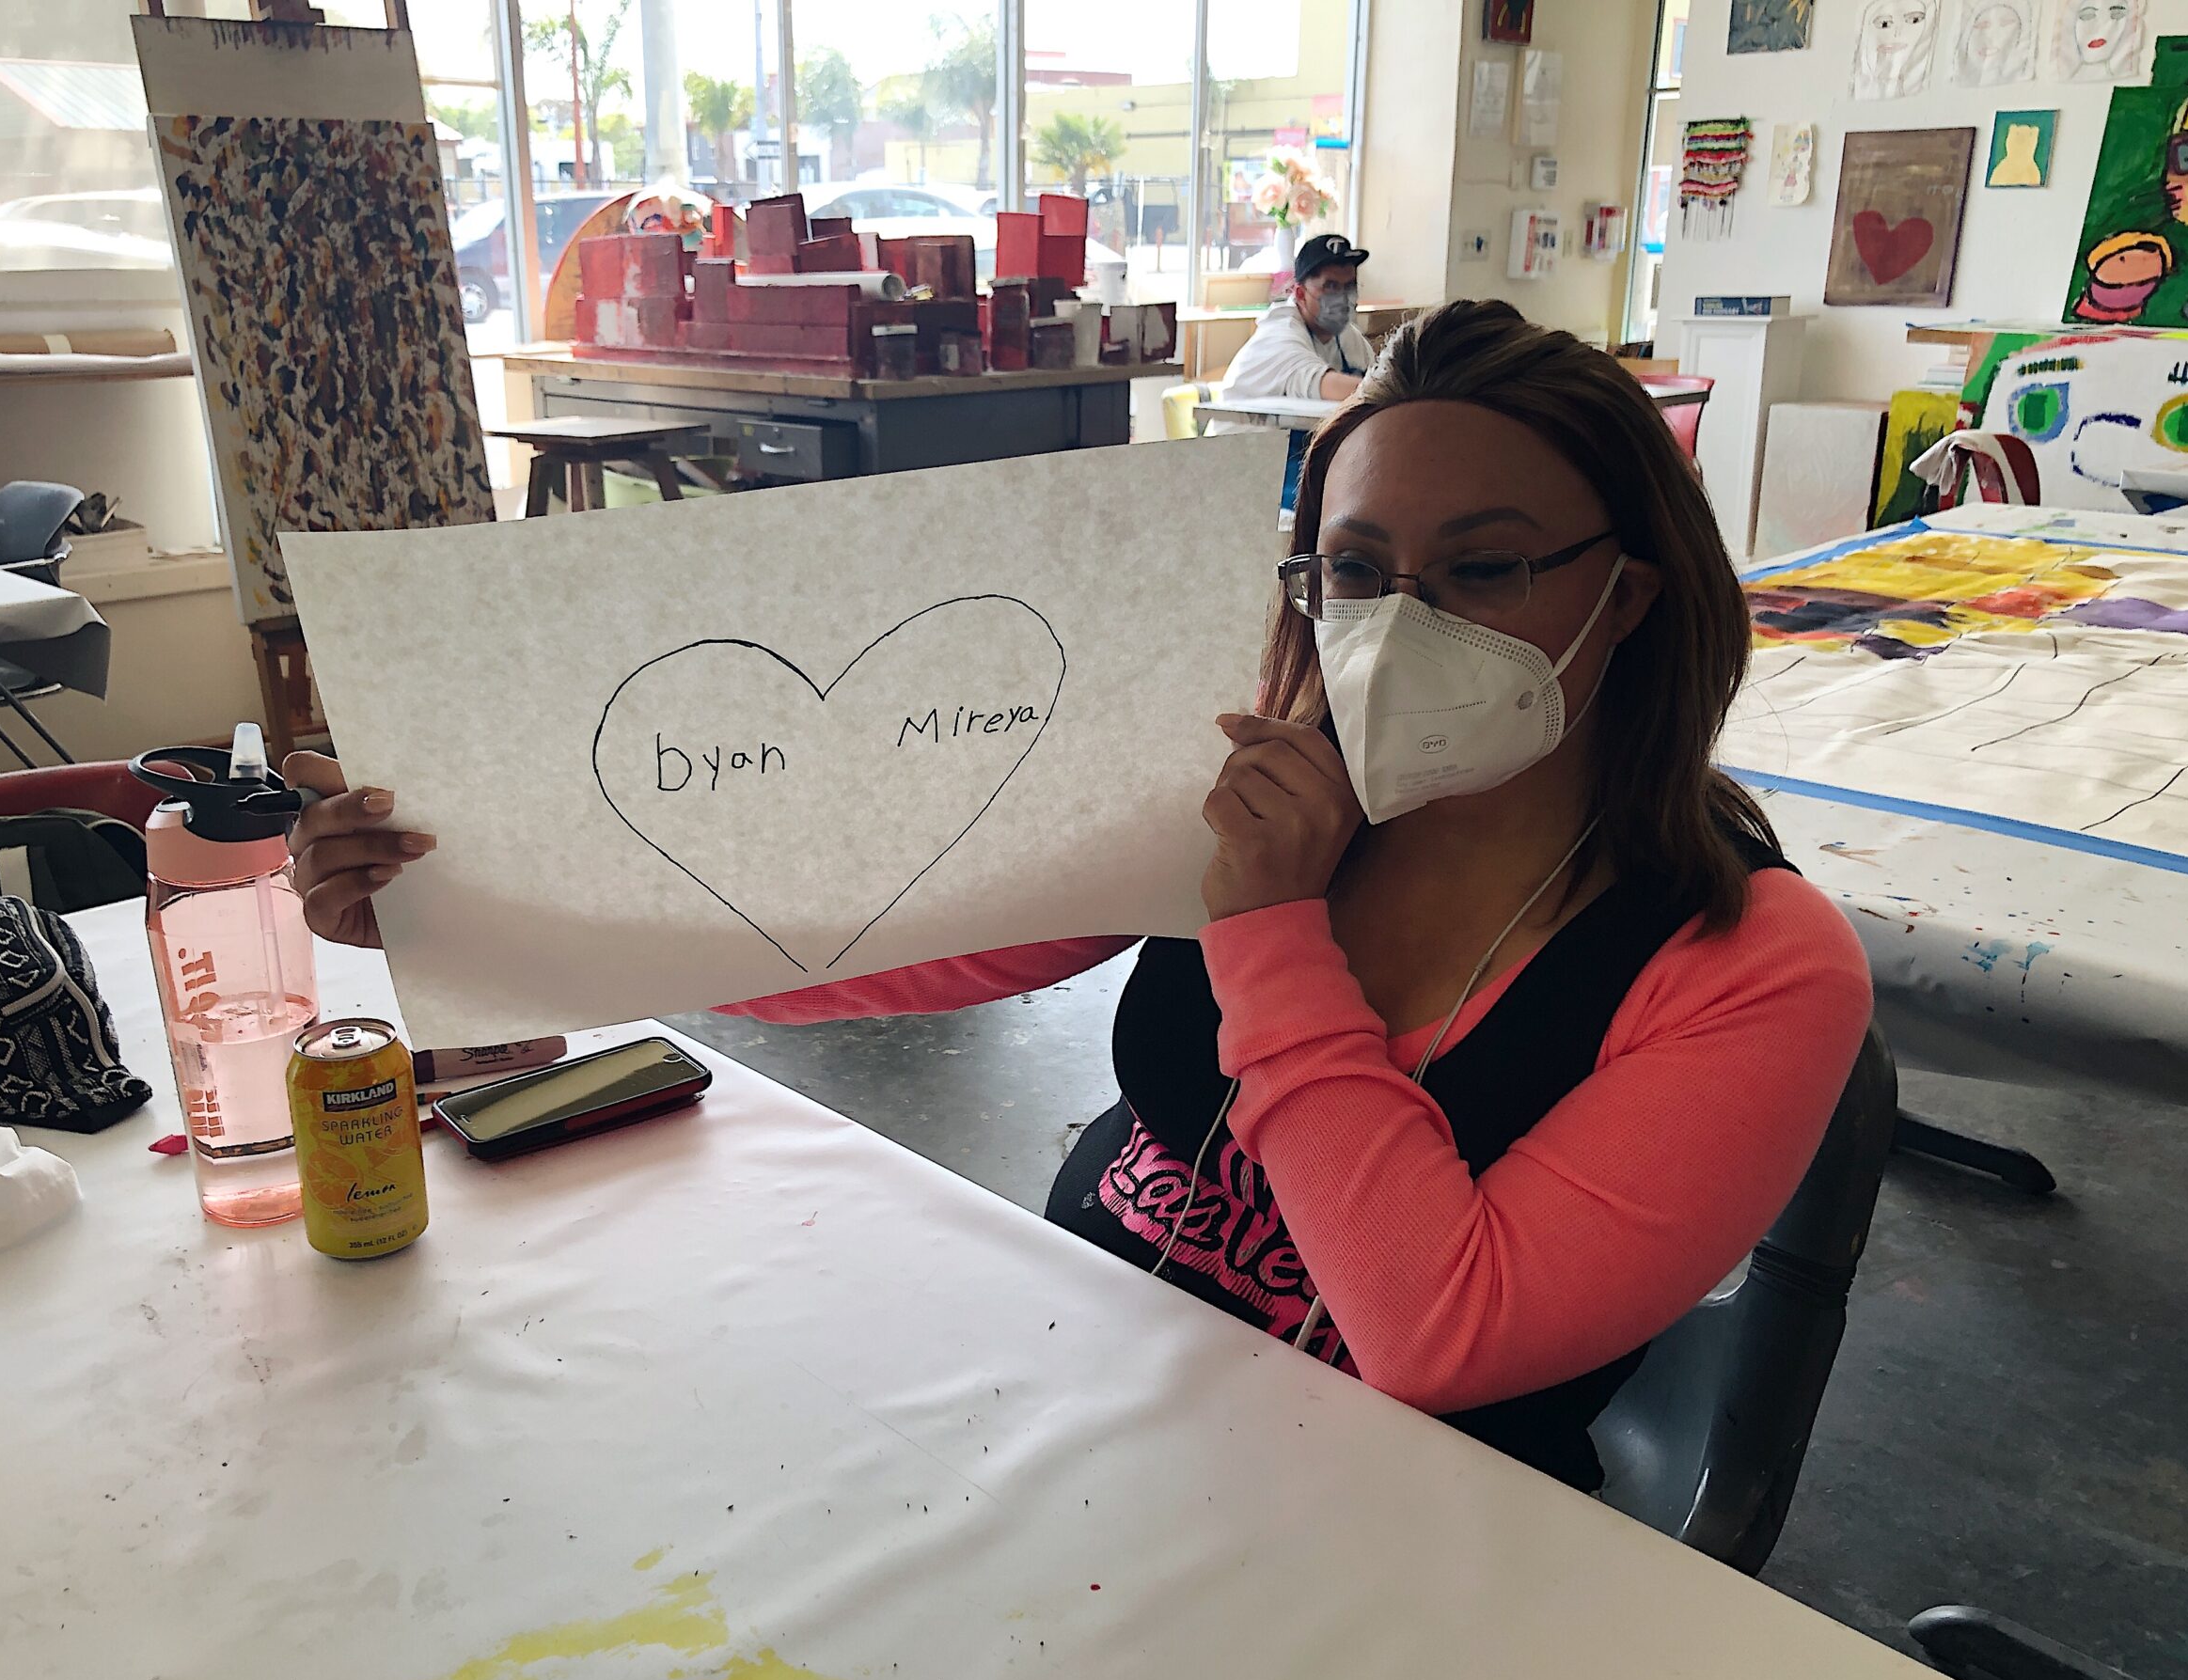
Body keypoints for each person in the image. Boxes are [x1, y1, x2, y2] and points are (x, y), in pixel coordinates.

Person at [287, 300, 1873, 1493]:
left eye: (1487, 566)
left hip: (1425, 1526)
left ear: (1632, 590)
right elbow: (879, 943)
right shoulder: (1263, 787)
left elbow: (1440, 1338)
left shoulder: (1747, 960)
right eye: (1361, 570)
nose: (1404, 626)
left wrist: (1269, 926)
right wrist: (472, 908)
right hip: (1099, 1406)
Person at [1216, 233, 1374, 406]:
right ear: (1300, 294)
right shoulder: (1279, 335)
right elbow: (1323, 384)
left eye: (1349, 286)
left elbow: (1378, 376)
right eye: (1331, 286)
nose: (1343, 297)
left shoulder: (1348, 336)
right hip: (1246, 432)